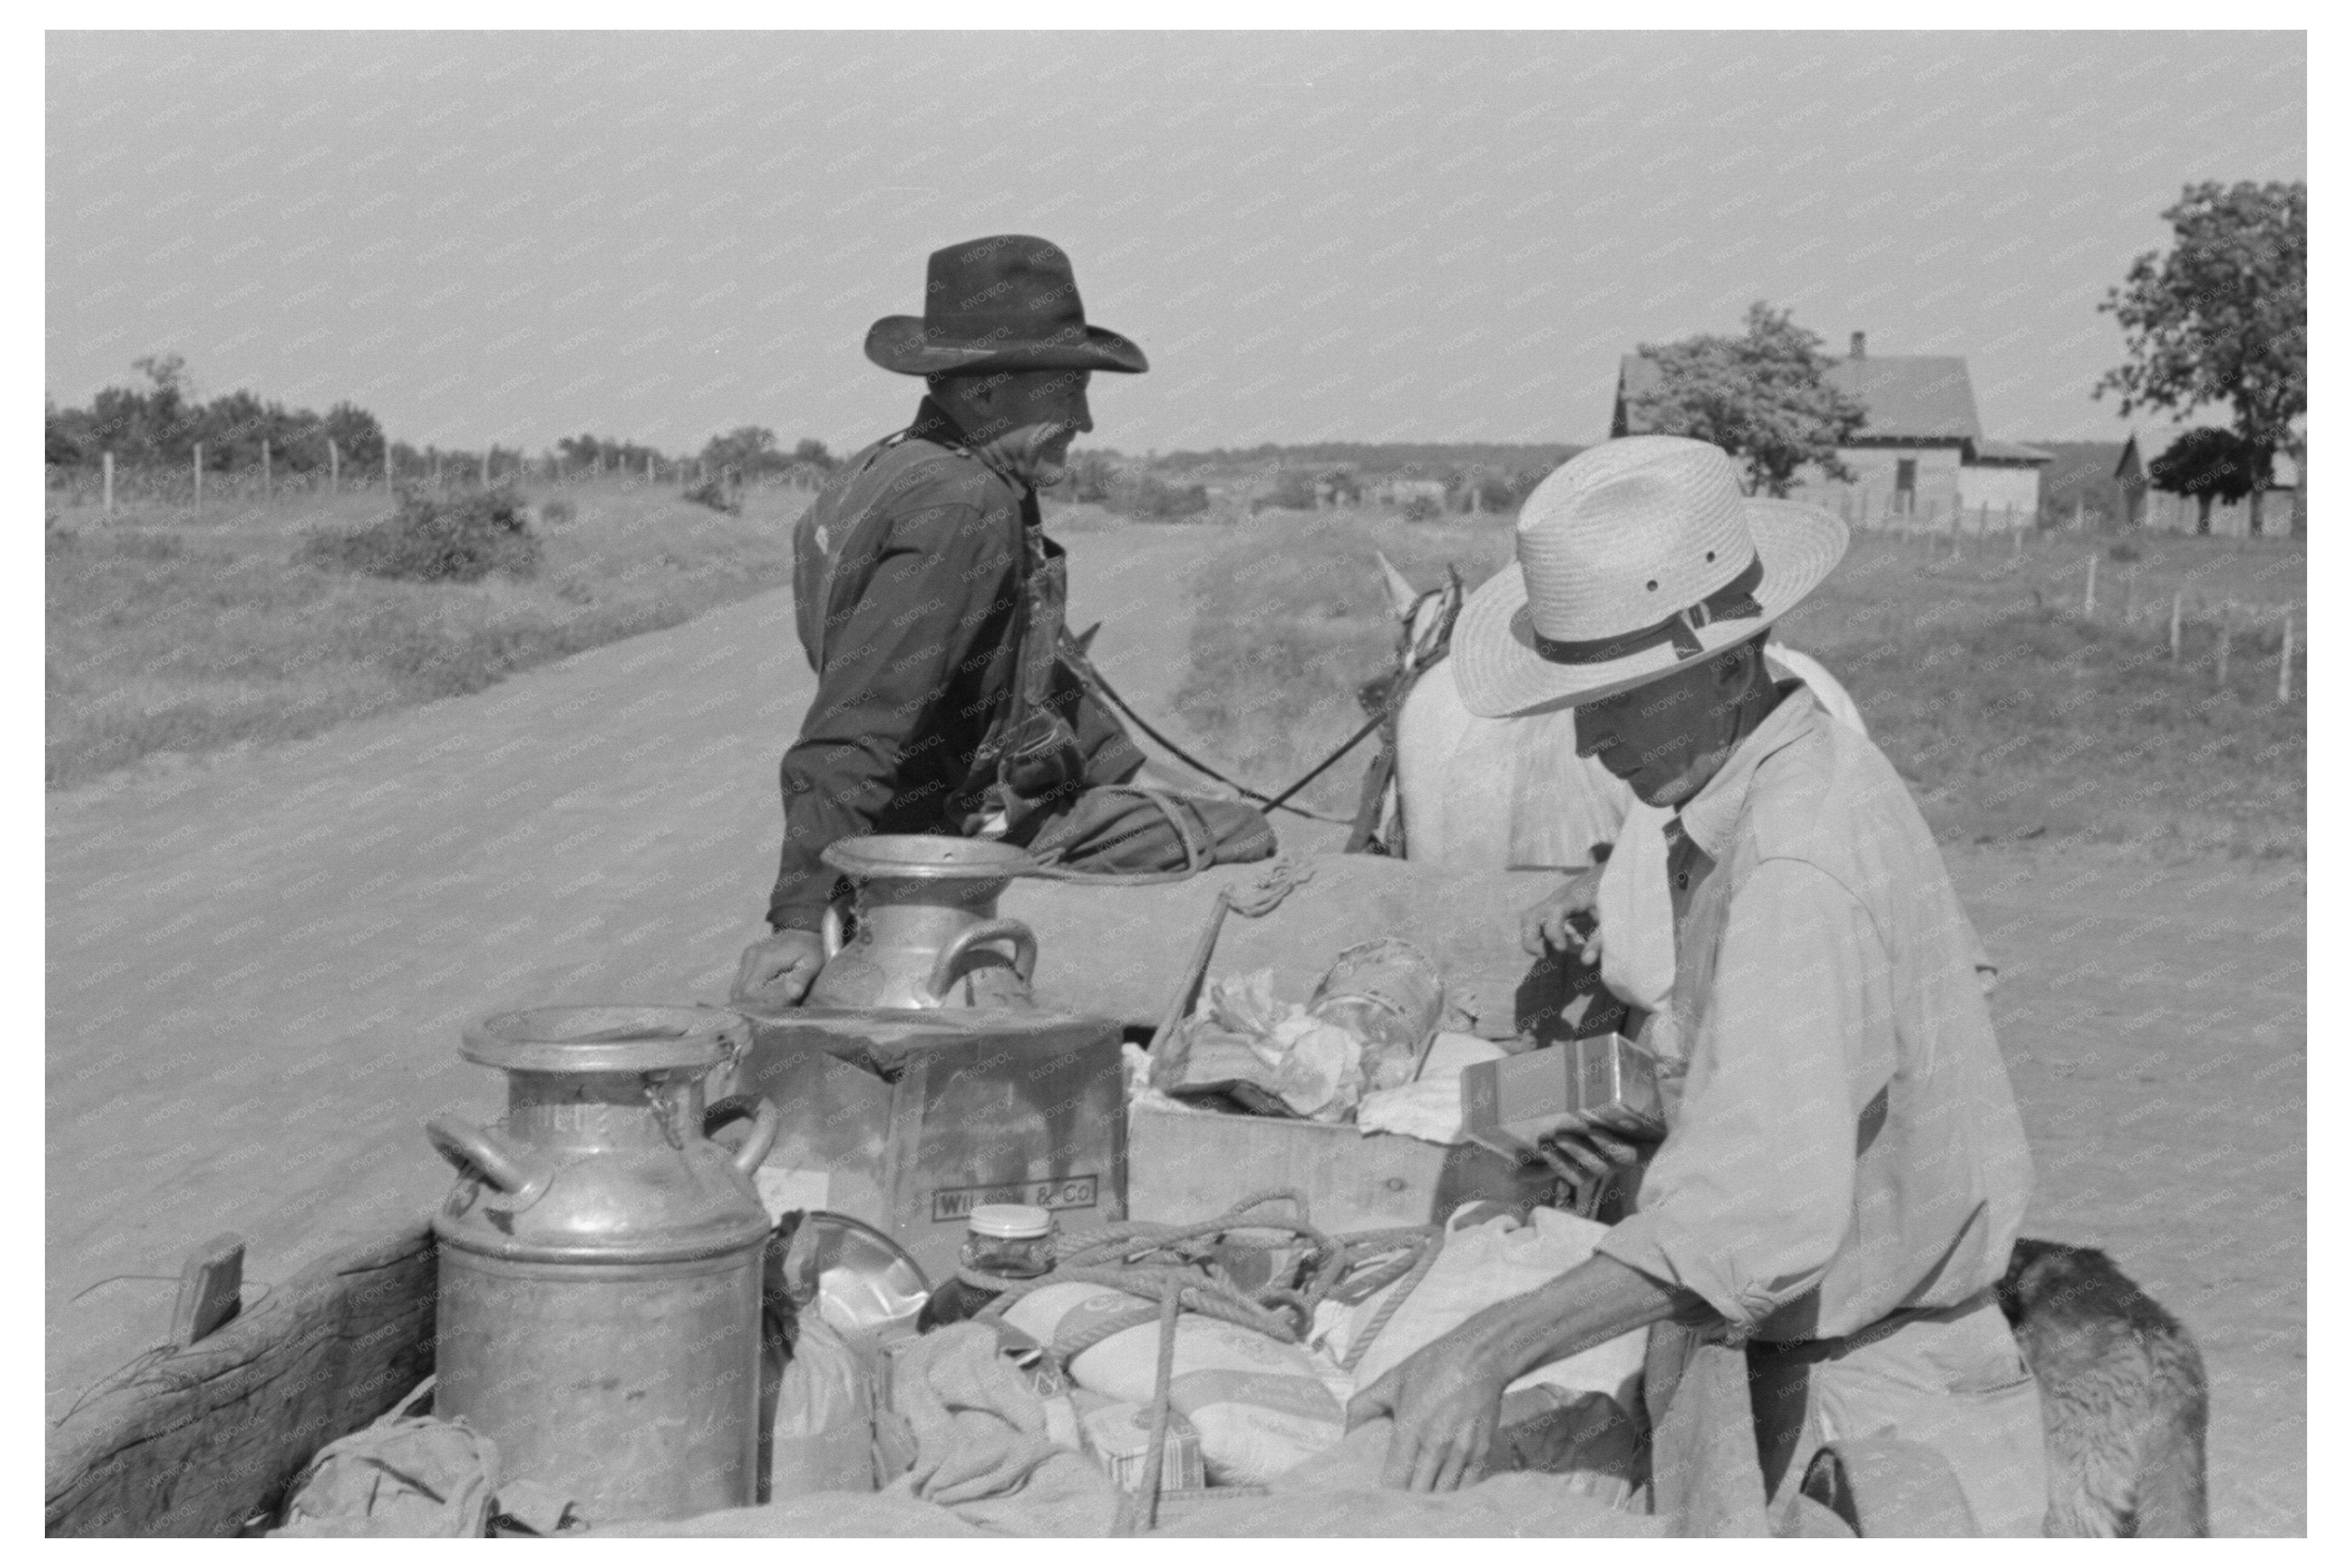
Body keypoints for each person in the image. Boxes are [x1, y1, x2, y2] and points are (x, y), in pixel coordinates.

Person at [1349, 435, 2047, 1535]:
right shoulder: (1769, 789)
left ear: (1729, 665)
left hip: (1864, 1419)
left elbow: (1751, 1219)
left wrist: (1481, 1350)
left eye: (1619, 700)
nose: (1587, 738)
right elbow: (1819, 1091)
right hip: (1826, 1370)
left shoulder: (1790, 861)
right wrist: (1660, 1120)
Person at [734, 236, 1273, 1007]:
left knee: (1173, 804)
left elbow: (1024, 670)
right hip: (952, 834)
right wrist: (797, 916)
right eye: (1068, 392)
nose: (1085, 419)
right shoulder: (965, 504)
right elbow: (858, 723)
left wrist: (1129, 771)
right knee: (1246, 835)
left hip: (924, 815)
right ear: (985, 395)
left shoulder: (907, 465)